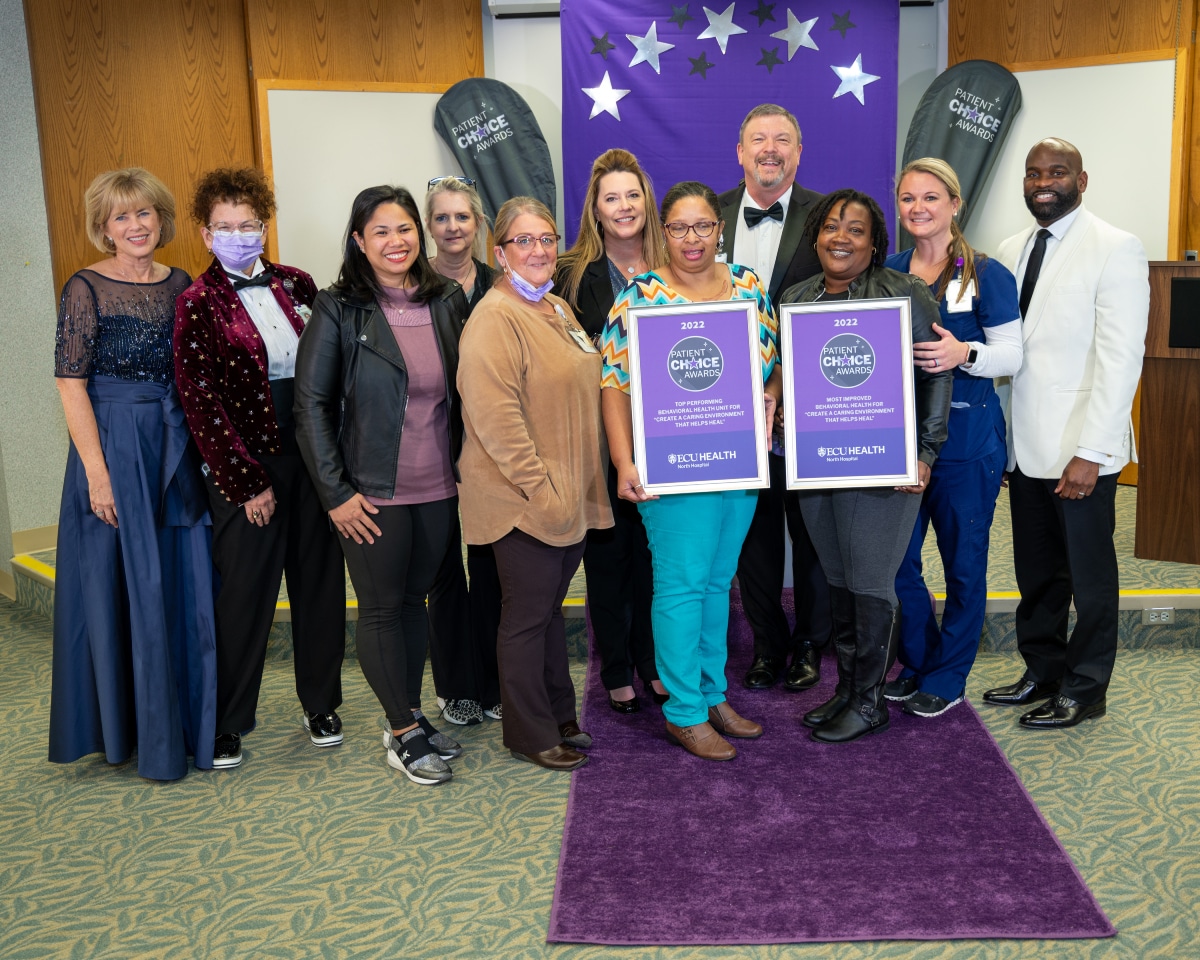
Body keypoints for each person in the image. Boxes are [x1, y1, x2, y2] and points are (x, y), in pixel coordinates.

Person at [295, 185, 470, 785]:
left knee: (414, 602)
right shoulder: (338, 307)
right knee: (380, 608)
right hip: (372, 493)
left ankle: (413, 714)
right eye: (381, 233)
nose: (396, 242)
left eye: (404, 230)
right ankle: (399, 732)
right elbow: (311, 406)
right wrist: (336, 493)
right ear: (358, 241)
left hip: (439, 486)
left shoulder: (445, 298)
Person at [174, 167, 347, 770]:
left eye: (247, 224)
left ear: (265, 226)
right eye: (224, 226)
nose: (237, 234)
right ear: (205, 234)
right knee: (244, 594)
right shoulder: (196, 304)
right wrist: (247, 482)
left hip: (312, 456)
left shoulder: (299, 285)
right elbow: (199, 402)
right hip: (246, 466)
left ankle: (321, 702)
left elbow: (332, 372)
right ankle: (227, 721)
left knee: (320, 585)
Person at [602, 180, 779, 761]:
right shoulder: (640, 296)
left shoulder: (749, 288)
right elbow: (613, 386)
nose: (692, 238)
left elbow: (774, 360)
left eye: (703, 226)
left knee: (714, 584)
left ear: (720, 228)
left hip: (737, 465)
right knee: (680, 586)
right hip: (672, 472)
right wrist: (625, 462)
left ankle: (711, 694)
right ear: (664, 231)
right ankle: (683, 712)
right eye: (679, 228)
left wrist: (772, 395)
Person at [49, 167, 216, 781]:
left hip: (174, 439)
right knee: (127, 585)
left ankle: (187, 723)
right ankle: (131, 732)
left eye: (144, 213)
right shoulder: (85, 289)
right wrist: (97, 474)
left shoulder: (182, 284)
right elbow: (71, 386)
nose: (136, 225)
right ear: (104, 228)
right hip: (115, 445)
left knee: (184, 580)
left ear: (161, 220)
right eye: (121, 217)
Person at [985, 138, 1149, 729]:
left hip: (1081, 450)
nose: (1042, 181)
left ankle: (1086, 686)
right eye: (1033, 173)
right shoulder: (1011, 247)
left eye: (1057, 172)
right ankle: (1043, 669)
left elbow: (1121, 358)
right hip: (1024, 447)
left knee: (1089, 577)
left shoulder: (1116, 248)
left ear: (1082, 179)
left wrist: (1092, 452)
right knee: (1036, 573)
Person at [780, 189, 952, 744]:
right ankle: (849, 690)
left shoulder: (907, 294)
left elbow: (936, 376)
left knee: (872, 579)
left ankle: (870, 701)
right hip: (819, 467)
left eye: (855, 229)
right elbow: (788, 379)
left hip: (886, 468)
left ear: (875, 241)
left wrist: (924, 454)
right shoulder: (797, 298)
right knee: (838, 579)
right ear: (816, 237)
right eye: (831, 227)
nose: (840, 238)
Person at [457, 196, 613, 772]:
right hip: (522, 499)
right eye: (524, 241)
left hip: (566, 493)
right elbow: (497, 424)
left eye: (546, 239)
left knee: (548, 612)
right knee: (525, 619)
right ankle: (528, 731)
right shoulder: (493, 320)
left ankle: (557, 715)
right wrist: (543, 492)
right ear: (499, 253)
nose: (539, 250)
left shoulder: (557, 309)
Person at [883, 158, 1023, 718]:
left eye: (931, 198)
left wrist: (963, 354)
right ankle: (919, 658)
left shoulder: (986, 273)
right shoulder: (890, 268)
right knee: (898, 562)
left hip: (967, 445)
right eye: (908, 198)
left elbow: (1013, 355)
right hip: (902, 443)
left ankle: (949, 674)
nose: (918, 208)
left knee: (964, 562)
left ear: (955, 204)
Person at [719, 103, 830, 693]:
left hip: (806, 408)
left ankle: (812, 643)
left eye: (782, 139)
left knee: (812, 532)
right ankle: (767, 644)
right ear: (739, 152)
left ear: (798, 150)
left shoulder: (828, 216)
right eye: (757, 138)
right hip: (728, 411)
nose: (770, 148)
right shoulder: (703, 217)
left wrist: (785, 384)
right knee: (752, 537)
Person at [555, 148, 669, 714]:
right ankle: (617, 669)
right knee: (608, 557)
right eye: (611, 198)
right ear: (595, 212)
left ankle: (653, 663)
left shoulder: (678, 261)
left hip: (674, 435)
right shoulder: (570, 274)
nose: (623, 206)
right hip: (601, 440)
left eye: (632, 195)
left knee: (658, 557)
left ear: (647, 202)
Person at [422, 175, 502, 727]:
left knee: (495, 567)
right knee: (444, 569)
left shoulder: (505, 283)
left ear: (479, 224)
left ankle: (497, 683)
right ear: (430, 226)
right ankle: (457, 688)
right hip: (429, 444)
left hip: (494, 447)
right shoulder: (409, 285)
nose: (453, 227)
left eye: (463, 217)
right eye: (442, 218)